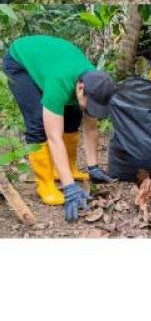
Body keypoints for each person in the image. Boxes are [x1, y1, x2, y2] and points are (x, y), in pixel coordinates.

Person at [3, 35, 116, 220]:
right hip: (20, 62)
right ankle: (45, 183)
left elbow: (91, 127)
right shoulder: (60, 84)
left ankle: (66, 169)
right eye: (91, 105)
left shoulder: (95, 82)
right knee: (38, 122)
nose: (92, 110)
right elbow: (54, 137)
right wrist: (70, 188)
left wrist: (93, 166)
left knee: (73, 117)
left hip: (49, 60)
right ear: (80, 89)